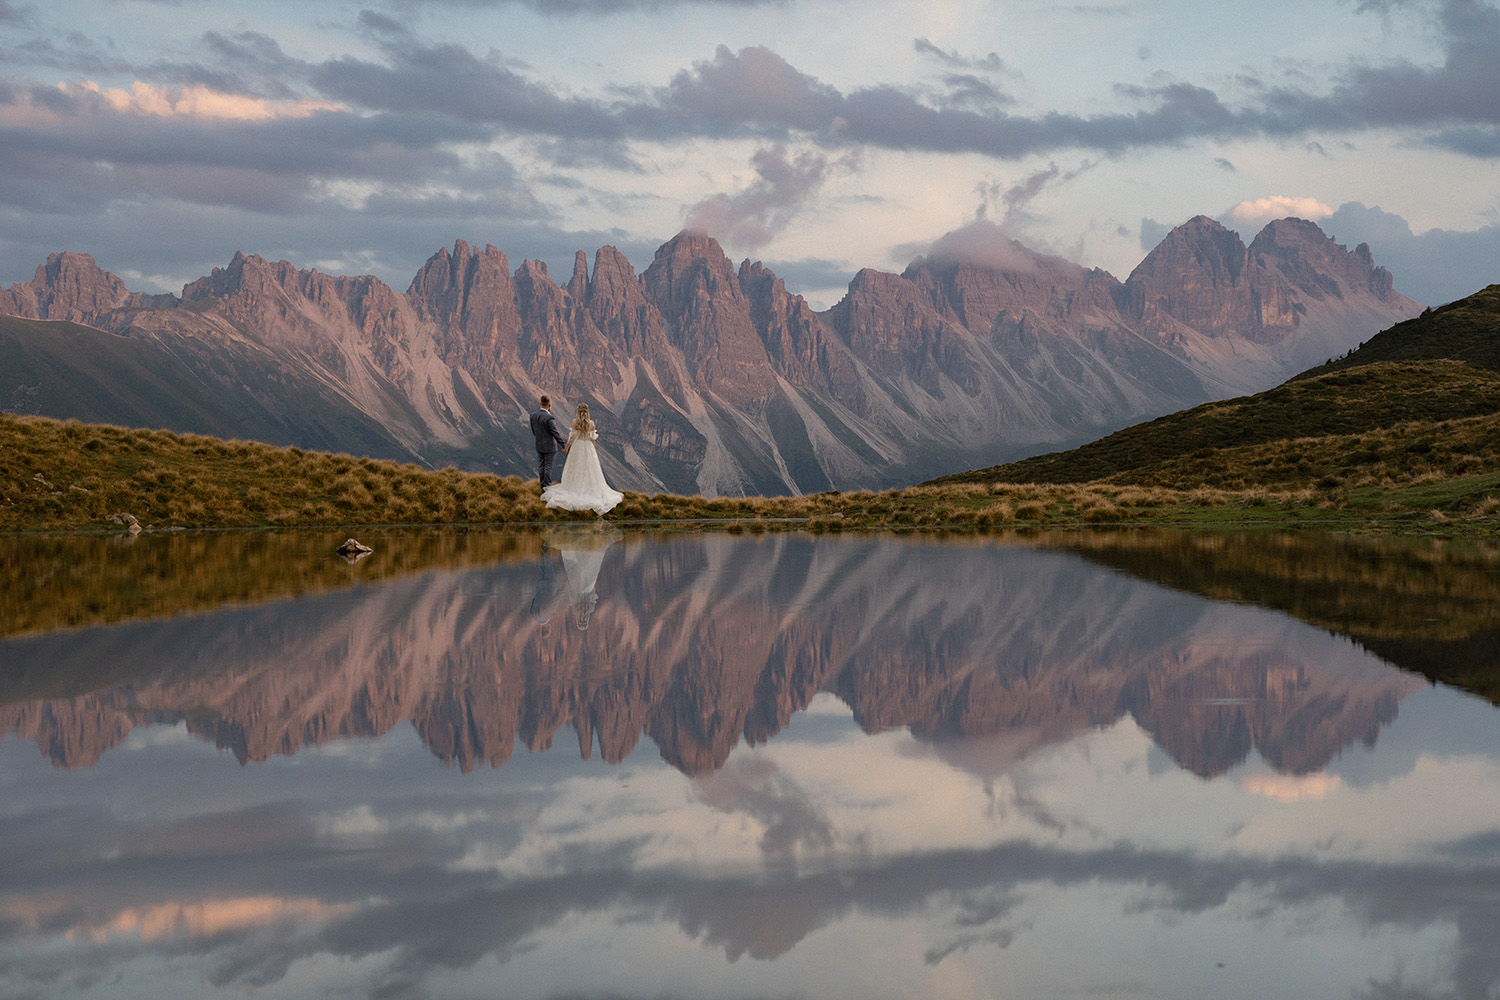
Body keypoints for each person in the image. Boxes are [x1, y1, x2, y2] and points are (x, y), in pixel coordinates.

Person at [541, 402, 623, 515]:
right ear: (587, 411)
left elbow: (572, 437)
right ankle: (589, 488)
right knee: (590, 469)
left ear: (578, 411)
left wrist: (566, 448)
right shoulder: (592, 423)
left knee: (575, 468)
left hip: (578, 447)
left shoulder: (575, 422)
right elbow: (592, 438)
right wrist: (592, 450)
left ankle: (575, 486)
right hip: (588, 447)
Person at [529, 394, 569, 488]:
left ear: (540, 403)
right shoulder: (549, 418)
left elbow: (534, 430)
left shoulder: (533, 415)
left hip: (538, 444)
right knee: (548, 466)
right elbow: (555, 433)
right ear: (549, 405)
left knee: (541, 465)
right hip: (549, 446)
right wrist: (563, 445)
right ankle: (546, 486)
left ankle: (542, 485)